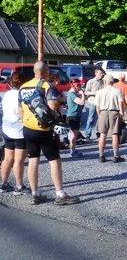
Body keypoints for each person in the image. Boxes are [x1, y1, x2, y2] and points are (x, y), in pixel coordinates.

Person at [18, 61, 80, 205]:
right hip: (44, 128)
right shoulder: (47, 86)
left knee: (33, 159)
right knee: (54, 160)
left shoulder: (23, 87)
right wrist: (59, 101)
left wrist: (26, 123)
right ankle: (60, 194)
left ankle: (35, 193)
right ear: (46, 72)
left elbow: (20, 110)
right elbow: (52, 106)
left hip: (28, 128)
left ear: (33, 71)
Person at [1, 72, 29, 195]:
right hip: (19, 131)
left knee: (7, 159)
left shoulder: (6, 94)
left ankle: (4, 183)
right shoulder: (23, 95)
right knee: (18, 161)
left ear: (11, 82)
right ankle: (19, 186)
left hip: (7, 129)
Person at [95, 74, 126, 163]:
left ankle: (101, 155)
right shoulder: (117, 91)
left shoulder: (100, 92)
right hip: (114, 112)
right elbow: (121, 103)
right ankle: (116, 155)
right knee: (115, 134)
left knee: (103, 134)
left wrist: (99, 114)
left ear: (105, 81)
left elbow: (97, 105)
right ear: (112, 82)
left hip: (103, 112)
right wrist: (122, 114)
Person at [65, 79, 85, 158]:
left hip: (74, 115)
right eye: (79, 86)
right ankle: (72, 151)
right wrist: (82, 94)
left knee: (74, 134)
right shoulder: (72, 94)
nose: (80, 88)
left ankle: (73, 150)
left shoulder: (73, 94)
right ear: (75, 86)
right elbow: (81, 102)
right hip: (73, 116)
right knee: (73, 135)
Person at [83, 67, 105, 139]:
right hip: (93, 102)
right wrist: (93, 93)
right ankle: (88, 134)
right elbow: (86, 92)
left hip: (101, 103)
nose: (102, 75)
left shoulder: (102, 82)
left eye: (102, 73)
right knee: (91, 118)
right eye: (100, 73)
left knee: (100, 118)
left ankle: (99, 132)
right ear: (96, 74)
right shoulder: (91, 82)